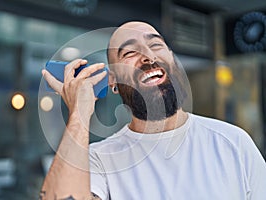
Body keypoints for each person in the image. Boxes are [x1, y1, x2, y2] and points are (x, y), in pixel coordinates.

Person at [40, 21, 266, 200]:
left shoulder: (233, 143)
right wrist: (79, 112)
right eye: (129, 53)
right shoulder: (100, 159)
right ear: (113, 82)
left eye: (156, 45)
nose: (148, 56)